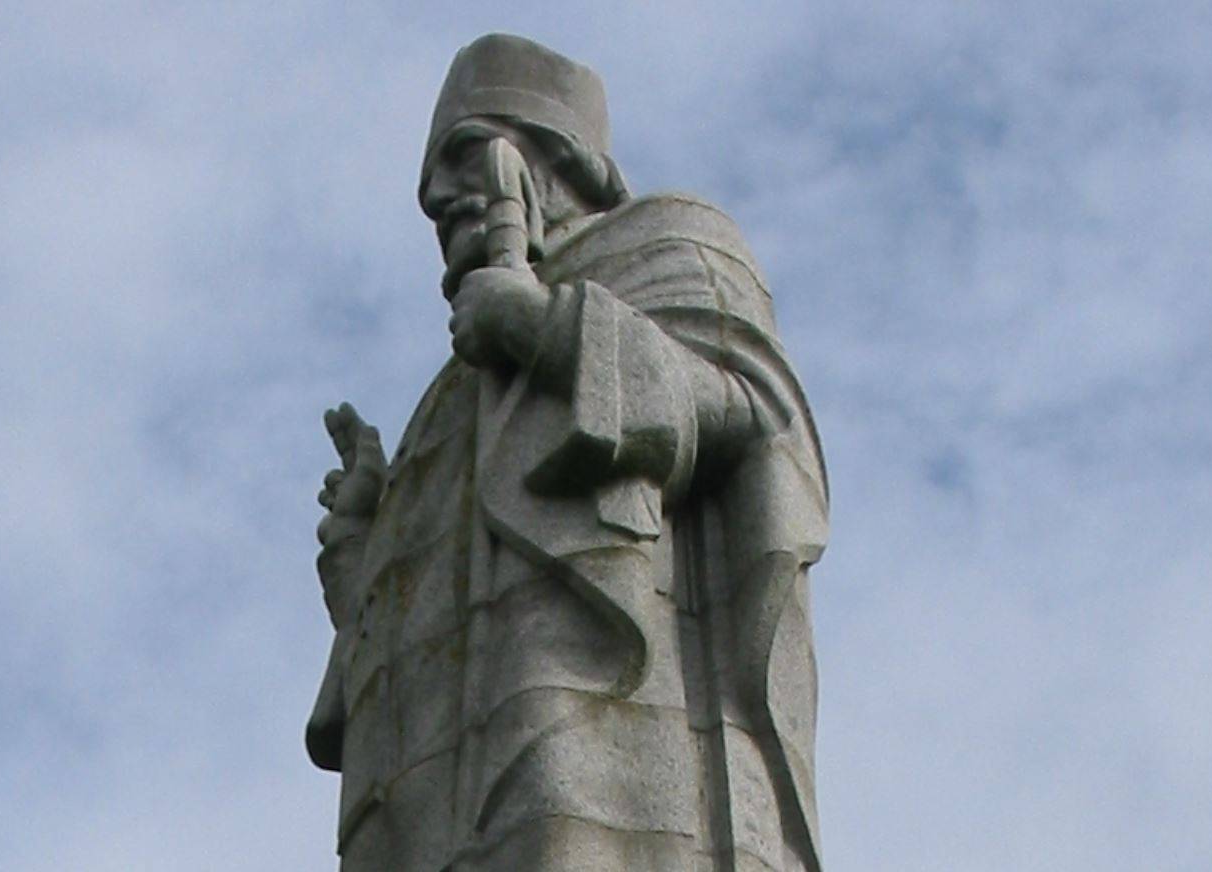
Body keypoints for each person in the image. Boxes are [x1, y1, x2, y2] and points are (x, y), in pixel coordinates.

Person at [309, 33, 830, 872]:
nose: (440, 198)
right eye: (428, 183)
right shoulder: (448, 396)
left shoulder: (668, 246)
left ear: (554, 154)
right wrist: (368, 563)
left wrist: (543, 327)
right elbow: (415, 657)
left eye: (464, 155)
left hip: (599, 723)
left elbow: (753, 415)